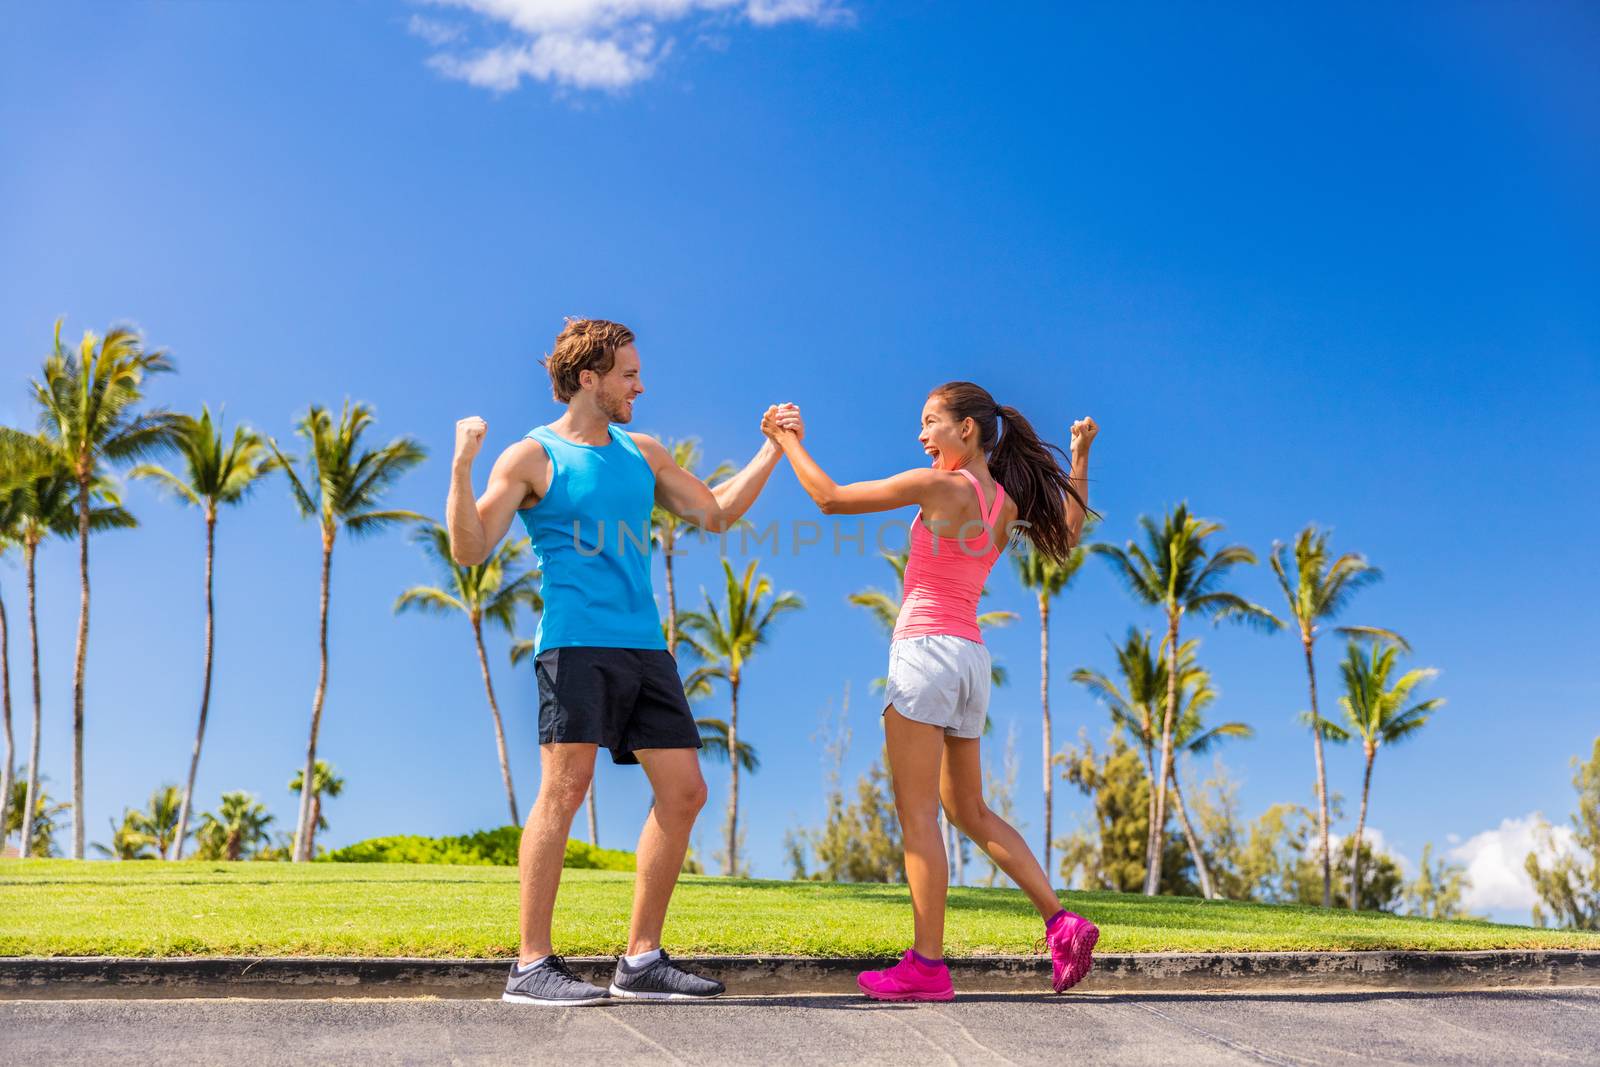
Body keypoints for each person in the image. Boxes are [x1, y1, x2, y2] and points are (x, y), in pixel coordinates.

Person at [449, 318, 797, 1006]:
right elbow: (469, 547)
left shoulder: (643, 451)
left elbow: (717, 512)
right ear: (590, 378)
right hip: (575, 642)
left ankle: (640, 959)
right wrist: (460, 466)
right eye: (630, 374)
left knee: (685, 791)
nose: (642, 384)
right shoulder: (530, 457)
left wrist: (772, 450)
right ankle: (530, 965)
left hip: (644, 646)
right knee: (566, 789)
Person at [763, 383, 1099, 1001]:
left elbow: (830, 498)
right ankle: (1061, 920)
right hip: (971, 660)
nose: (921, 435)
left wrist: (785, 439)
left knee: (919, 816)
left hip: (924, 654)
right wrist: (1080, 457)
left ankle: (926, 965)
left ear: (966, 430)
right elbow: (1071, 531)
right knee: (969, 811)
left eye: (930, 422)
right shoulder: (1004, 500)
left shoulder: (940, 486)